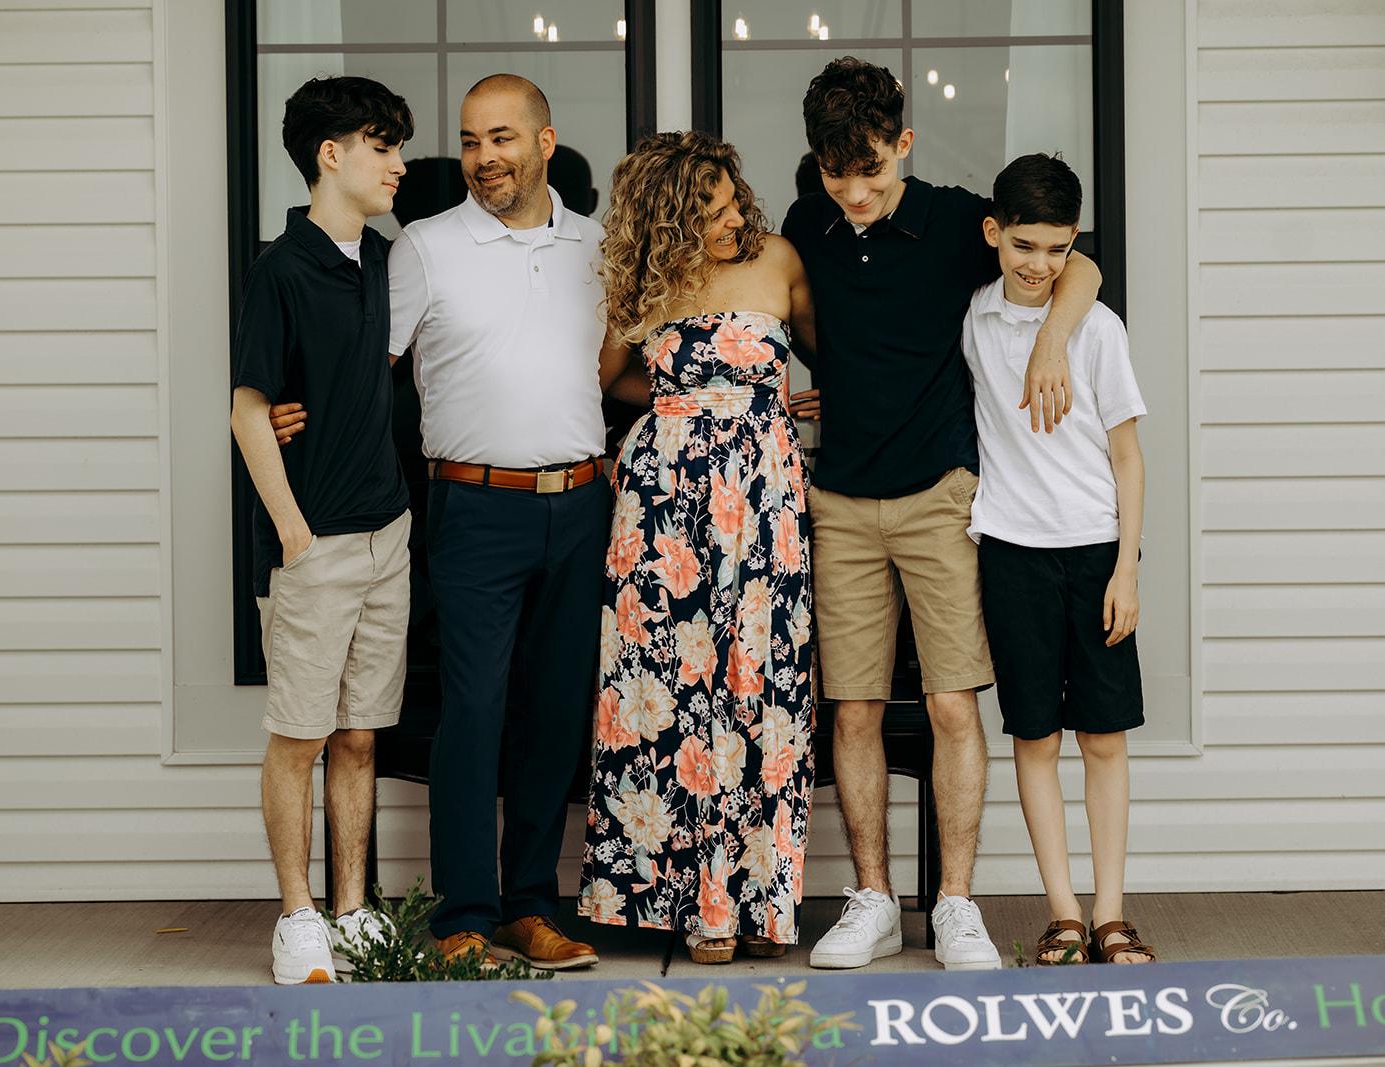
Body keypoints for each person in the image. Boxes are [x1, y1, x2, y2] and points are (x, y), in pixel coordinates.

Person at [780, 57, 1104, 971]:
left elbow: (1078, 262)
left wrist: (1050, 340)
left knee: (954, 702)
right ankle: (874, 897)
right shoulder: (810, 220)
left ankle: (955, 901)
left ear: (904, 145)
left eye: (872, 173)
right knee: (853, 708)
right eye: (837, 174)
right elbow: (800, 315)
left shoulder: (964, 219)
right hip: (838, 496)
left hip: (938, 494)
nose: (854, 194)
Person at [387, 74, 607, 971]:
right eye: (472, 141)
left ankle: (530, 906)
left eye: (503, 139)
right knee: (473, 712)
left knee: (556, 715)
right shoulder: (427, 247)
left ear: (546, 142)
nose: (485, 158)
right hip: (475, 507)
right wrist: (284, 409)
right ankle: (463, 918)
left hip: (584, 504)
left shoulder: (598, 246)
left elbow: (619, 371)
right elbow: (374, 371)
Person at [580, 132, 817, 964]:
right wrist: (688, 395)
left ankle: (754, 901)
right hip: (665, 505)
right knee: (671, 687)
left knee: (756, 680)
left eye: (731, 198)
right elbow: (611, 377)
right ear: (670, 218)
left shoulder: (780, 260)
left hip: (762, 501)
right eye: (708, 208)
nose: (731, 217)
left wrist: (784, 400)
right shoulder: (651, 281)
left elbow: (829, 359)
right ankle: (689, 904)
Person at [228, 75, 414, 985]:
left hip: (389, 534)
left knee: (359, 734)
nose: (399, 163)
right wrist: (294, 533)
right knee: (298, 735)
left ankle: (352, 909)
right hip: (318, 542)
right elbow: (249, 409)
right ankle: (296, 915)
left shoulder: (383, 260)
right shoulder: (281, 267)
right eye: (383, 145)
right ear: (330, 155)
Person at [965, 153, 1152, 966]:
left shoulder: (1097, 329)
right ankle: (1065, 913)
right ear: (994, 235)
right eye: (1024, 246)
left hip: (1094, 550)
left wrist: (1127, 568)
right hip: (1011, 552)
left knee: (1103, 739)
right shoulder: (972, 319)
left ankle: (1112, 913)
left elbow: (1128, 456)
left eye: (1056, 248)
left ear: (1074, 246)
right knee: (1034, 739)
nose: (1038, 264)